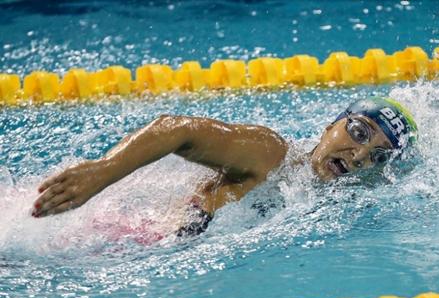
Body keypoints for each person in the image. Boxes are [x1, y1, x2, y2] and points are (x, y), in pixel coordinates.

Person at [31, 97, 418, 236]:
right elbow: (176, 129)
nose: (359, 156)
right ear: (331, 124)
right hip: (100, 235)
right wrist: (102, 170)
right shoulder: (272, 154)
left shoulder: (324, 196)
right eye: (359, 133)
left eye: (378, 157)